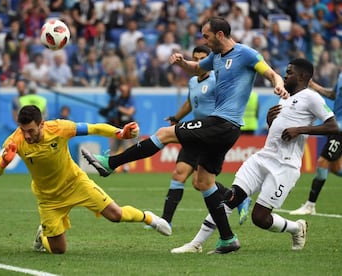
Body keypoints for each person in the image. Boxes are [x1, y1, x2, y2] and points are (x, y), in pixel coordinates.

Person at [82, 17, 289, 254]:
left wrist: (279, 85)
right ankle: (227, 238)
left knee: (164, 134)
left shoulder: (246, 54)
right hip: (224, 128)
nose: (204, 40)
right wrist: (181, 62)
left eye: (207, 36)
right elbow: (196, 68)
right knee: (203, 182)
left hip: (222, 123)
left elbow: (271, 73)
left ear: (220, 35)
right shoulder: (217, 57)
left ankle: (111, 163)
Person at [171, 58, 339, 254]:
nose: (285, 75)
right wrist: (270, 122)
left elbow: (333, 126)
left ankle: (296, 228)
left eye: (290, 72)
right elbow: (278, 130)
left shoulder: (312, 97)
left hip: (285, 166)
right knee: (230, 198)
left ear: (303, 76)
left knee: (260, 218)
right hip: (262, 158)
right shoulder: (284, 97)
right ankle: (196, 244)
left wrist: (299, 130)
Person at [0, 105, 171, 254]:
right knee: (59, 250)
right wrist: (4, 163)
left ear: (41, 124)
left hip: (76, 183)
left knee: (115, 215)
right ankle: (42, 235)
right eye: (23, 130)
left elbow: (93, 128)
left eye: (30, 130)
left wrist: (120, 133)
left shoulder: (59, 128)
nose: (27, 135)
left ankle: (149, 218)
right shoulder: (15, 140)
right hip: (48, 198)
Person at [145, 45, 251, 232]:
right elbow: (189, 102)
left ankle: (237, 197)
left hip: (209, 134)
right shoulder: (193, 81)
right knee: (179, 174)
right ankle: (166, 221)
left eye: (203, 58)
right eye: (196, 58)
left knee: (198, 182)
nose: (200, 62)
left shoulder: (216, 80)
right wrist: (176, 118)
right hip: (193, 132)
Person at [289, 71, 342, 215]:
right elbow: (333, 95)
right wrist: (314, 86)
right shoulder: (341, 75)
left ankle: (310, 205)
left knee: (322, 162)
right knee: (335, 168)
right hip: (336, 126)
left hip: (339, 130)